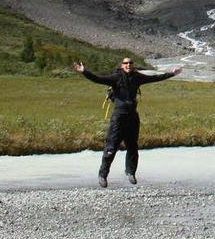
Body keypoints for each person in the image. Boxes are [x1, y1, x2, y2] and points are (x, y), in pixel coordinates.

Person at [73, 57, 183, 187]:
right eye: (126, 63)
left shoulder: (137, 77)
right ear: (122, 65)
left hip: (132, 117)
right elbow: (98, 79)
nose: (128, 65)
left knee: (132, 147)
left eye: (130, 63)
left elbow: (155, 78)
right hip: (118, 117)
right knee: (111, 147)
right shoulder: (116, 77)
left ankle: (130, 172)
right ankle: (103, 175)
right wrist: (84, 71)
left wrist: (172, 73)